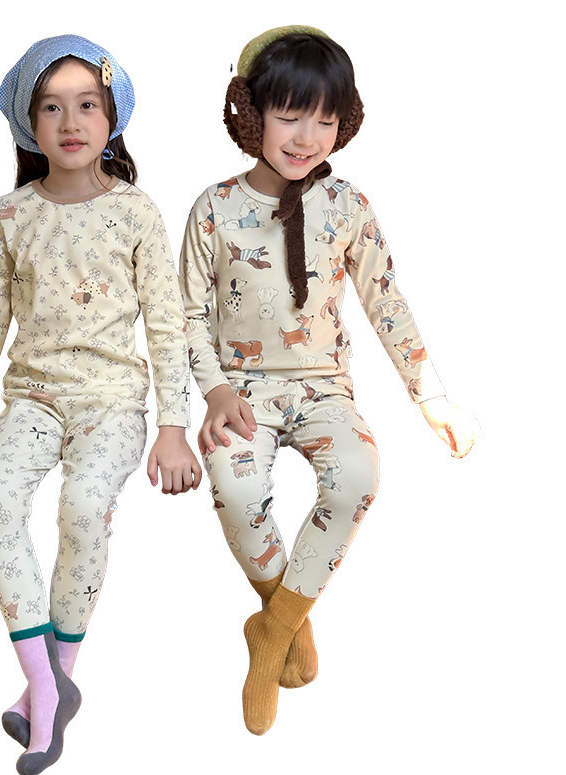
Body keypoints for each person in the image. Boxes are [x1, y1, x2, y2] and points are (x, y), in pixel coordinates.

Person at [178, 25, 479, 736]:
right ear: (252, 115)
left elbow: (385, 301)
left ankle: (273, 628)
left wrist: (430, 393)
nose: (307, 137)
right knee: (234, 485)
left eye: (325, 119)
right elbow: (186, 313)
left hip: (323, 386)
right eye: (289, 115)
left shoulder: (349, 206)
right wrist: (214, 391)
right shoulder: (213, 209)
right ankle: (287, 622)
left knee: (358, 474)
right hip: (241, 388)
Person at [0, 34, 201, 775]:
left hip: (112, 403)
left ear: (113, 117)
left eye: (86, 105)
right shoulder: (9, 215)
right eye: (51, 107)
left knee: (83, 506)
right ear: (28, 121)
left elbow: (167, 323)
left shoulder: (137, 212)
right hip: (34, 401)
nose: (71, 122)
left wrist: (174, 426)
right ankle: (47, 685)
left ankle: (51, 686)